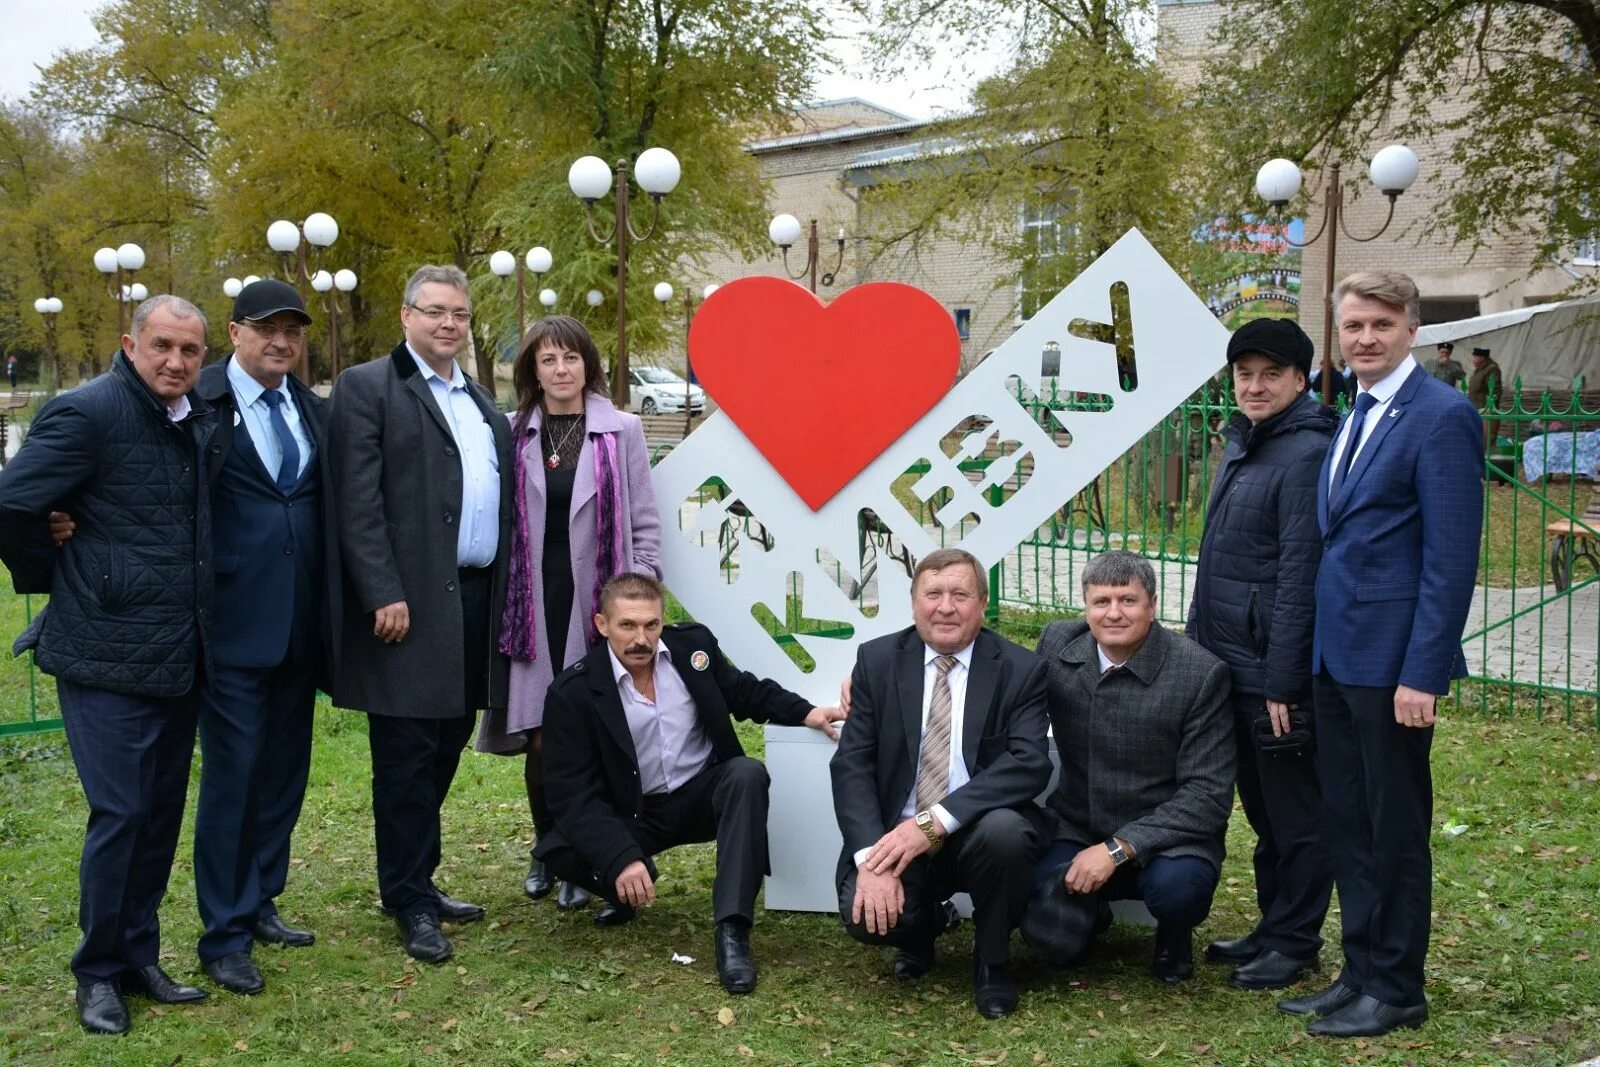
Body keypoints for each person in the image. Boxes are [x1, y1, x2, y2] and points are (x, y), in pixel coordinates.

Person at [0, 296, 215, 1035]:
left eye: (190, 351)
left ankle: (139, 956)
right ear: (130, 343)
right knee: (120, 812)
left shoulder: (192, 418)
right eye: (161, 345)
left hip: (176, 652)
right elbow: (12, 503)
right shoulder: (87, 412)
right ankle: (96, 973)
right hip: (102, 651)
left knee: (157, 814)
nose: (175, 362)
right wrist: (58, 570)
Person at [1284, 271, 1483, 1038]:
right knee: (1349, 821)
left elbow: (1450, 558)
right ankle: (1361, 970)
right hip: (1337, 659)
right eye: (1353, 325)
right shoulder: (1354, 413)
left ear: (1411, 330)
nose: (1365, 337)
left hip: (1392, 665)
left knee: (1392, 825)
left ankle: (1398, 985)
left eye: (1381, 324)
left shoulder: (1440, 415)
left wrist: (1422, 671)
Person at [537, 572, 845, 993]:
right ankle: (627, 883)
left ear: (663, 621)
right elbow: (571, 795)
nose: (640, 638)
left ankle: (732, 931)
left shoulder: (693, 649)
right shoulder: (571, 692)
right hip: (632, 813)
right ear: (602, 625)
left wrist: (806, 711)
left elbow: (744, 692)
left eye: (651, 624)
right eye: (627, 625)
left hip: (700, 796)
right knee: (561, 851)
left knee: (746, 774)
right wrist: (621, 857)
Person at [328, 264, 513, 964]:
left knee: (443, 746)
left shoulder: (477, 397)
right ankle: (406, 897)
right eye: (434, 311)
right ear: (406, 315)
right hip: (405, 606)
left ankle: (417, 878)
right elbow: (358, 500)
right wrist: (380, 589)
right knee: (404, 756)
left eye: (459, 314)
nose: (448, 324)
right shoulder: (368, 387)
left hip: (471, 599)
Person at [475, 315, 661, 913]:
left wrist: (642, 587)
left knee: (596, 732)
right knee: (541, 735)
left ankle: (589, 858)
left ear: (589, 365)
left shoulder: (621, 430)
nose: (561, 370)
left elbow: (645, 519)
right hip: (530, 600)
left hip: (598, 602)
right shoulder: (511, 432)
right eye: (548, 360)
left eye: (571, 358)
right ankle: (546, 848)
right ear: (533, 368)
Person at [189, 279, 341, 994]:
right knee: (233, 781)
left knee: (283, 776)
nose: (281, 342)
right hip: (229, 625)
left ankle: (260, 899)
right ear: (235, 331)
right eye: (266, 329)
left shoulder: (313, 410)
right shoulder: (200, 403)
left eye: (293, 331)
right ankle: (222, 933)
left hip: (300, 627)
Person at [831, 548, 1052, 1019]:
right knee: (865, 918)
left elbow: (1029, 763)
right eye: (932, 594)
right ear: (914, 604)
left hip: (976, 828)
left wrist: (935, 822)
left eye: (960, 594)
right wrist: (871, 857)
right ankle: (924, 928)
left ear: (983, 605)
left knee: (1006, 834)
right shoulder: (876, 661)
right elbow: (851, 764)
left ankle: (991, 962)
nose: (945, 607)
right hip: (898, 830)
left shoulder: (1021, 669)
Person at [1186, 319, 1336, 991]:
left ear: (1300, 379)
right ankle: (1273, 927)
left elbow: (1300, 572)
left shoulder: (1304, 453)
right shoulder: (1245, 442)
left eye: (1271, 373)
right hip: (1228, 665)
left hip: (1270, 675)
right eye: (1244, 373)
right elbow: (1216, 563)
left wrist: (1284, 681)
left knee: (1296, 816)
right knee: (1264, 813)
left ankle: (1296, 940)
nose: (1254, 384)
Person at [1023, 551, 1233, 986]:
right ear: (1085, 606)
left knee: (1180, 890)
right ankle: (1089, 912)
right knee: (1036, 902)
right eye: (1101, 602)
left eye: (1128, 600)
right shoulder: (1059, 644)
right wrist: (860, 689)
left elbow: (1207, 797)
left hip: (1168, 836)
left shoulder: (1200, 672)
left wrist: (1118, 848)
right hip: (1077, 824)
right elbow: (989, 673)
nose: (1113, 613)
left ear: (1152, 606)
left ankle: (1173, 937)